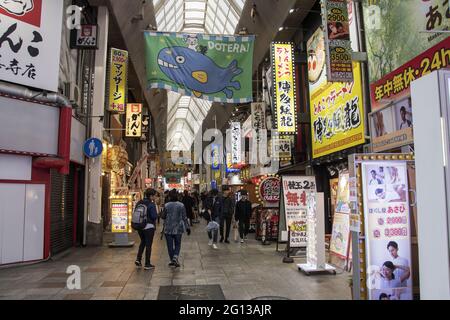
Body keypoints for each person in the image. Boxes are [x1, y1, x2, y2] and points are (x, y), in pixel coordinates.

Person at [163, 189, 191, 268]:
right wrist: (187, 227)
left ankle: (172, 260)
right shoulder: (181, 205)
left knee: (170, 246)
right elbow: (184, 217)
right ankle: (175, 257)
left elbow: (163, 216)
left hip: (168, 228)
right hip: (178, 228)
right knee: (178, 244)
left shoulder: (166, 205)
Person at [135, 189, 158, 270]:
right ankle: (147, 263)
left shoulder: (139, 202)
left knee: (143, 242)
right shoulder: (151, 204)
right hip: (148, 227)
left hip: (139, 226)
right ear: (151, 196)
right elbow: (154, 216)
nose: (155, 197)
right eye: (155, 195)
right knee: (148, 245)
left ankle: (138, 259)